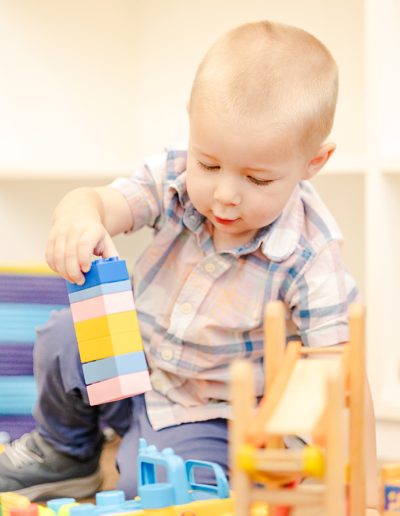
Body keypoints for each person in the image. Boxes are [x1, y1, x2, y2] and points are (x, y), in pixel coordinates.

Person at [0, 20, 379, 513]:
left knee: (154, 490)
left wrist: (365, 489)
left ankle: (122, 456)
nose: (224, 193)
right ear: (191, 129)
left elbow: (343, 373)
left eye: (257, 178)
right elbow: (104, 201)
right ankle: (66, 453)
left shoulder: (311, 254)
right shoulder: (175, 176)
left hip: (208, 413)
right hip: (133, 370)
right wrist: (80, 213)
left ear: (314, 161)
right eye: (210, 164)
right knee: (64, 335)